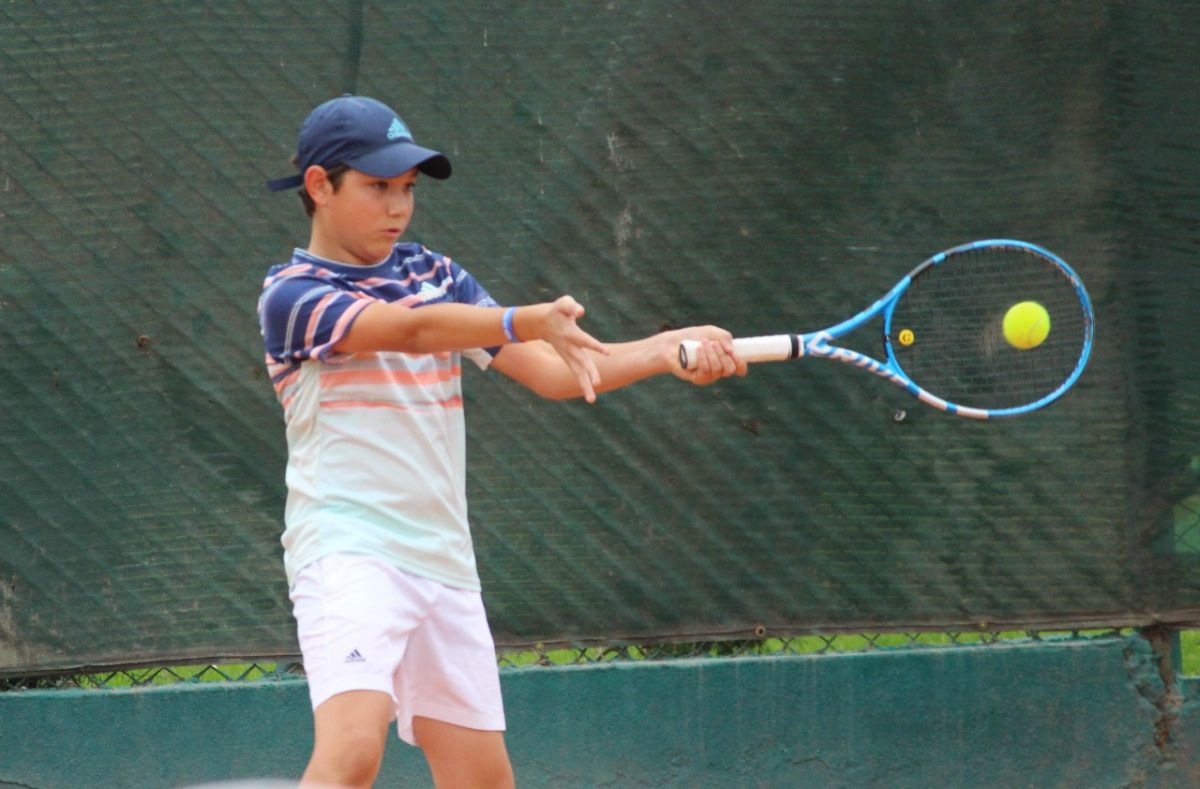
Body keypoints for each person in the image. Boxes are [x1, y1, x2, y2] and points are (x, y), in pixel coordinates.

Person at [258, 94, 745, 788]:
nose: (398, 207)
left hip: (444, 561)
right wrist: (520, 317)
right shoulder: (293, 294)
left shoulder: (435, 274)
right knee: (352, 754)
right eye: (377, 187)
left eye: (407, 190)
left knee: (483, 781)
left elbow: (554, 371)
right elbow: (410, 330)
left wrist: (663, 349)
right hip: (349, 551)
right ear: (318, 187)